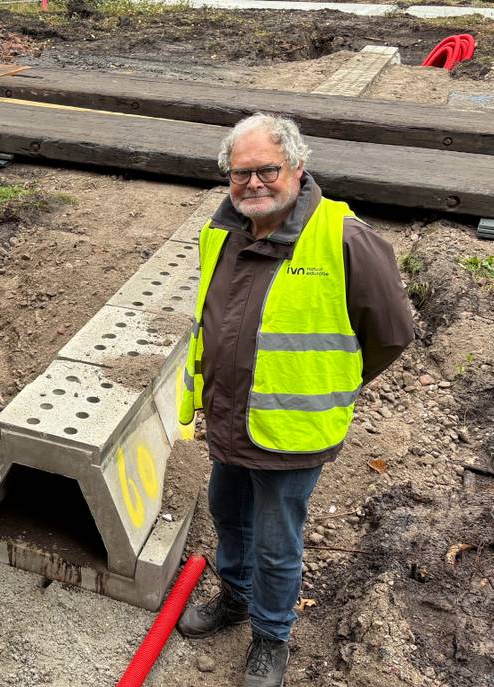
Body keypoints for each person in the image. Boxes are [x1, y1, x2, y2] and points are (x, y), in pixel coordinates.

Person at [175, 113, 414, 687]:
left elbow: (391, 334)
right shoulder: (222, 232)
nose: (252, 185)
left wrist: (331, 385)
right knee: (229, 516)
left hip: (294, 430)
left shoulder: (343, 237)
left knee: (278, 544)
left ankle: (271, 636)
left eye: (266, 171)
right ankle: (236, 598)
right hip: (230, 416)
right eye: (240, 175)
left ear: (297, 168)